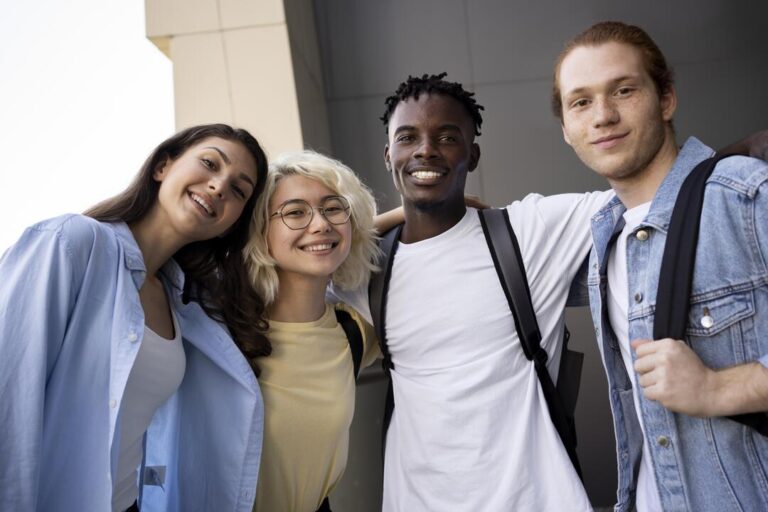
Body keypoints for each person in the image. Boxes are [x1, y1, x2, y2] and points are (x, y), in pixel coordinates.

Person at [331, 73, 612, 511]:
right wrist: (387, 220)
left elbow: (648, 194)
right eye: (408, 138)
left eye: (447, 136)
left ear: (472, 155)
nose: (426, 149)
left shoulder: (527, 231)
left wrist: (733, 160)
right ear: (389, 155)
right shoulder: (366, 269)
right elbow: (288, 262)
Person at [554, 21, 768, 511]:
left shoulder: (746, 196)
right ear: (567, 130)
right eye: (581, 102)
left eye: (623, 90)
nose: (603, 116)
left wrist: (718, 388)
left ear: (666, 98)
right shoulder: (603, 235)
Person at [0, 124, 270, 512]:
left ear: (233, 222)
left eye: (239, 190)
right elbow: (8, 398)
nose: (219, 186)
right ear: (163, 166)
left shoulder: (187, 304)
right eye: (210, 163)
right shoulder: (72, 242)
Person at [244, 150, 384, 512]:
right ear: (261, 230)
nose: (320, 224)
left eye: (333, 208)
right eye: (295, 212)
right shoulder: (223, 333)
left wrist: (420, 213)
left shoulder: (354, 331)